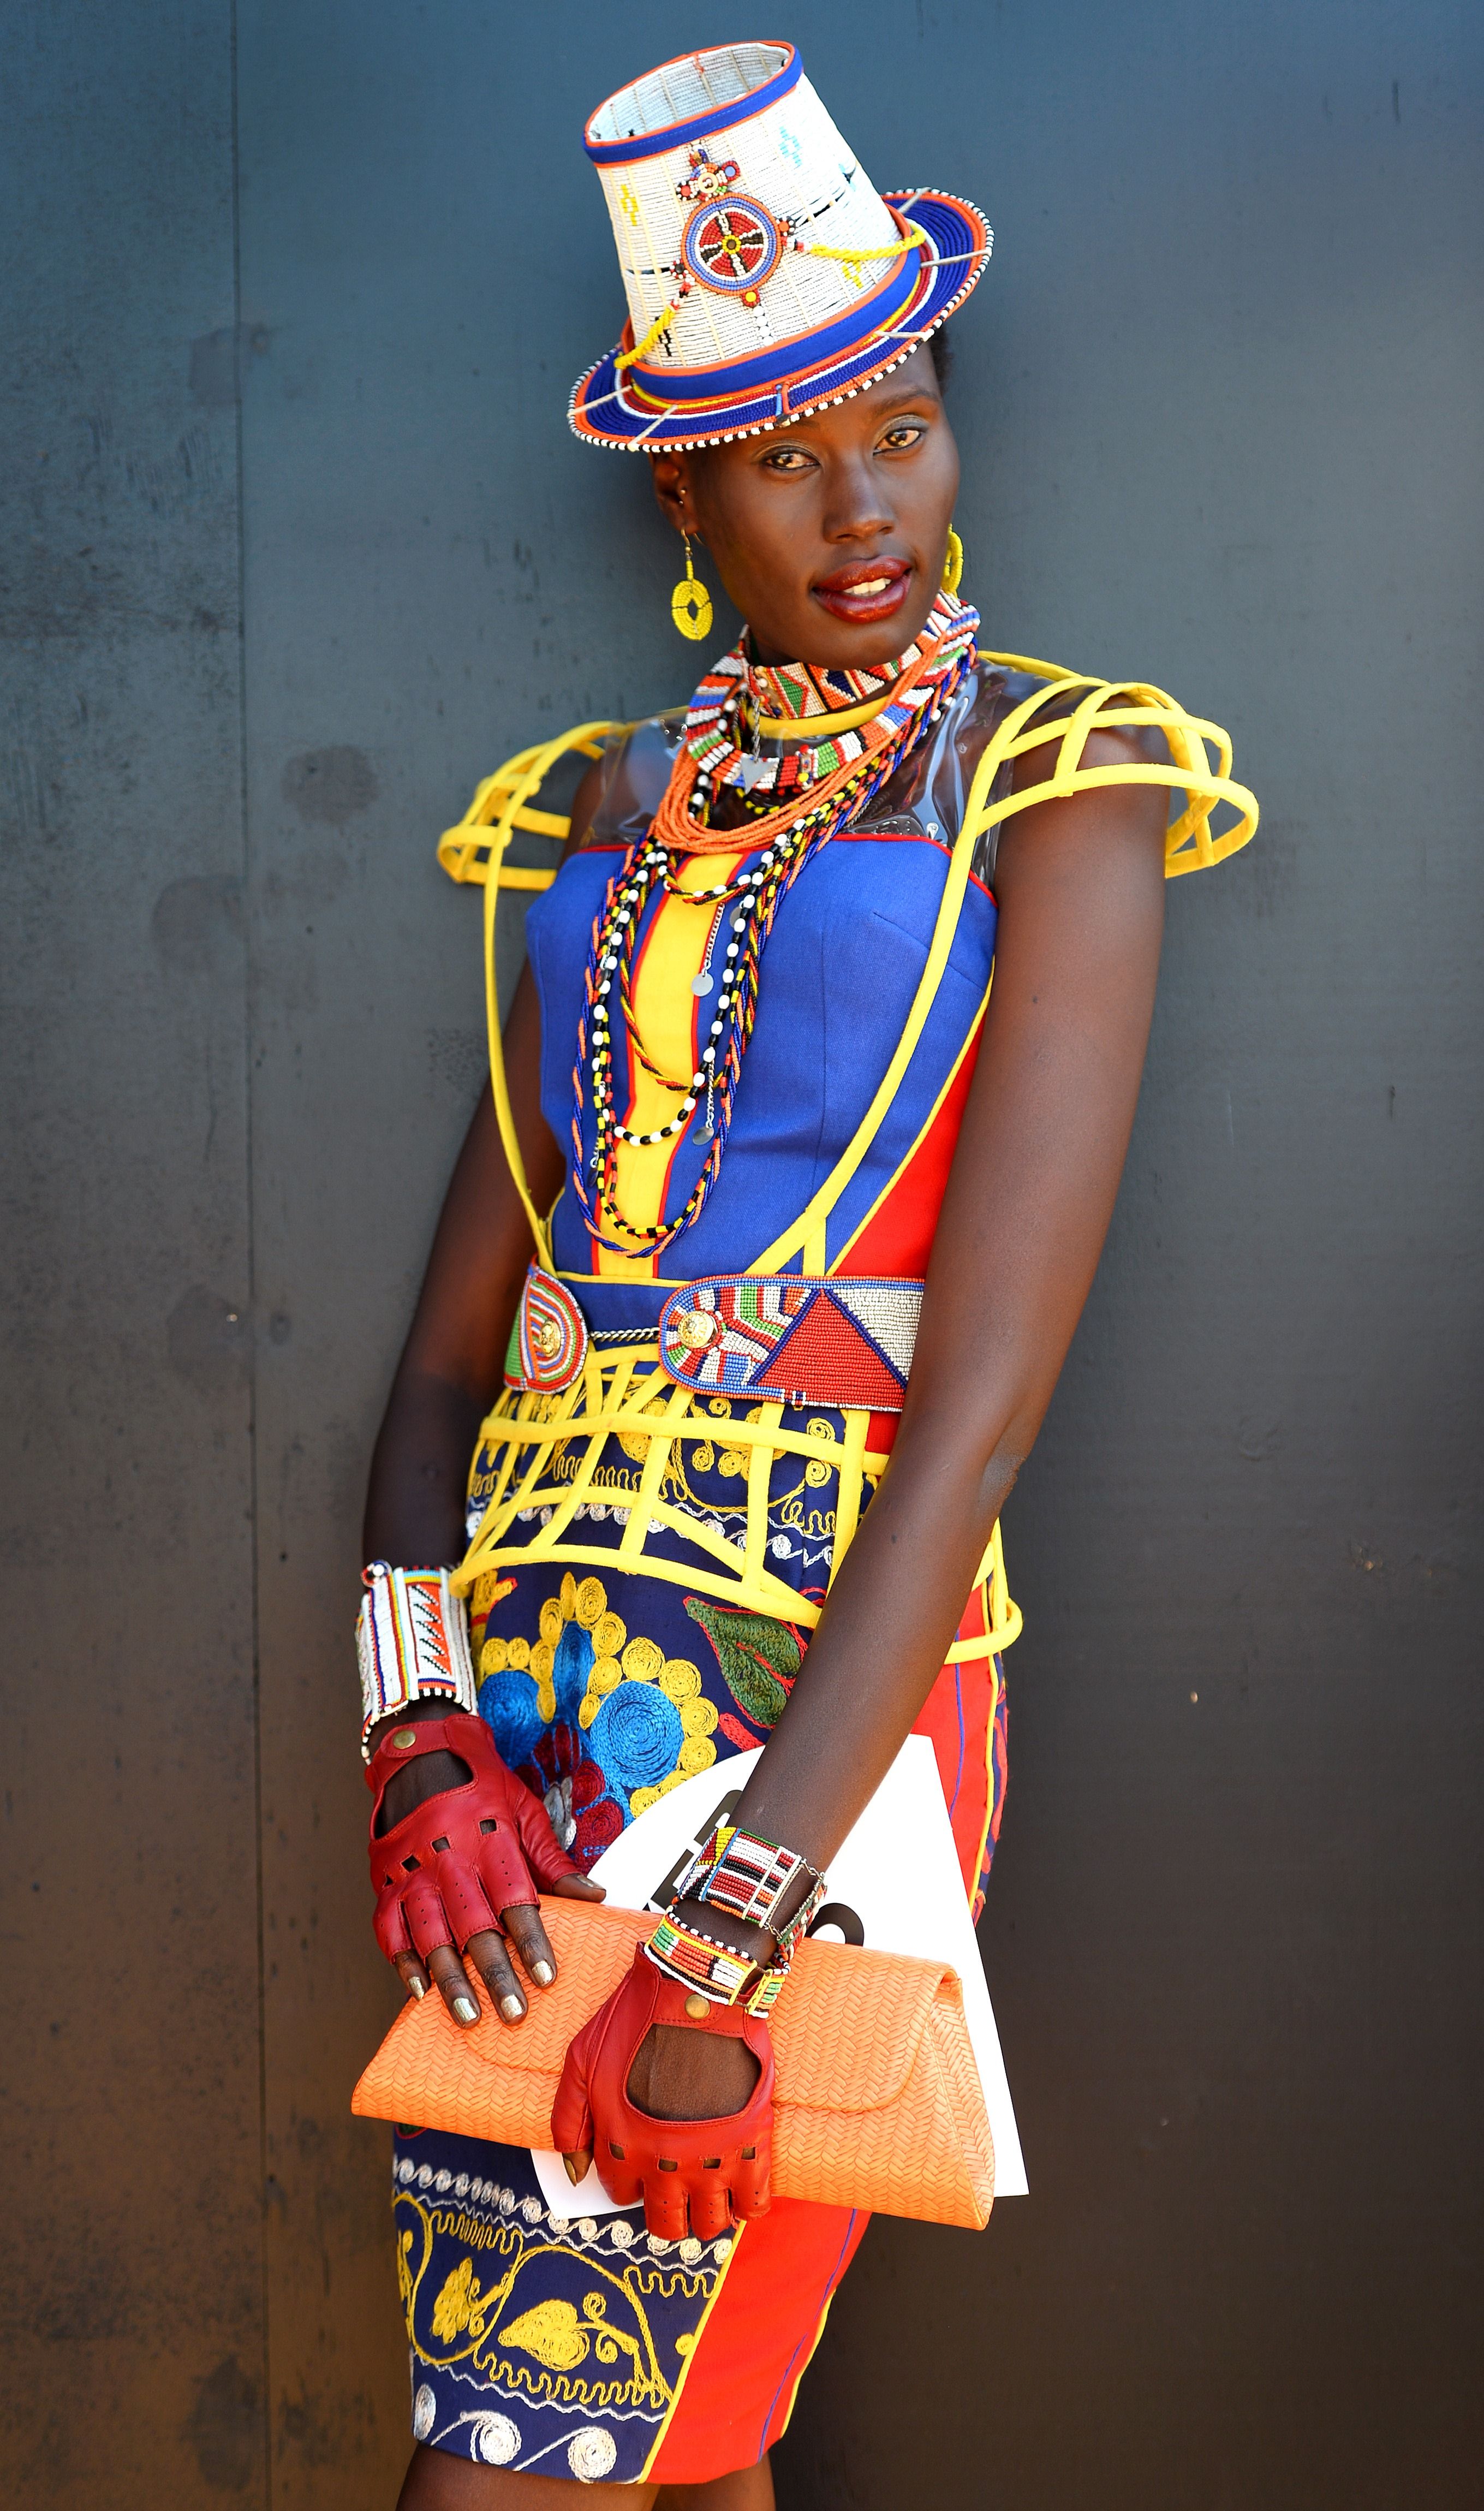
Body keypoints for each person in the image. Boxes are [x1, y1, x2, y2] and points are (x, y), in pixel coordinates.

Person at [357, 41, 1255, 2507]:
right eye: (782, 458)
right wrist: (412, 1736)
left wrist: (734, 1928)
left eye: (902, 433)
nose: (864, 508)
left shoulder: (1054, 782)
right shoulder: (595, 812)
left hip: (811, 1725)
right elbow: (435, 1378)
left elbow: (979, 1414)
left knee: (525, 2453)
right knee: (668, 2446)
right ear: (681, 491)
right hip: (524, 1728)